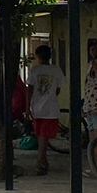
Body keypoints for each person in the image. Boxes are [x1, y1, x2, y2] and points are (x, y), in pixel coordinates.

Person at [27, 45, 65, 176]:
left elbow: (30, 89)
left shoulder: (35, 71)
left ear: (38, 56)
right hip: (51, 108)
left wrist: (27, 107)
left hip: (37, 108)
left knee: (41, 136)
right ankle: (42, 161)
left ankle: (41, 161)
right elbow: (58, 90)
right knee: (44, 136)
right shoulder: (57, 70)